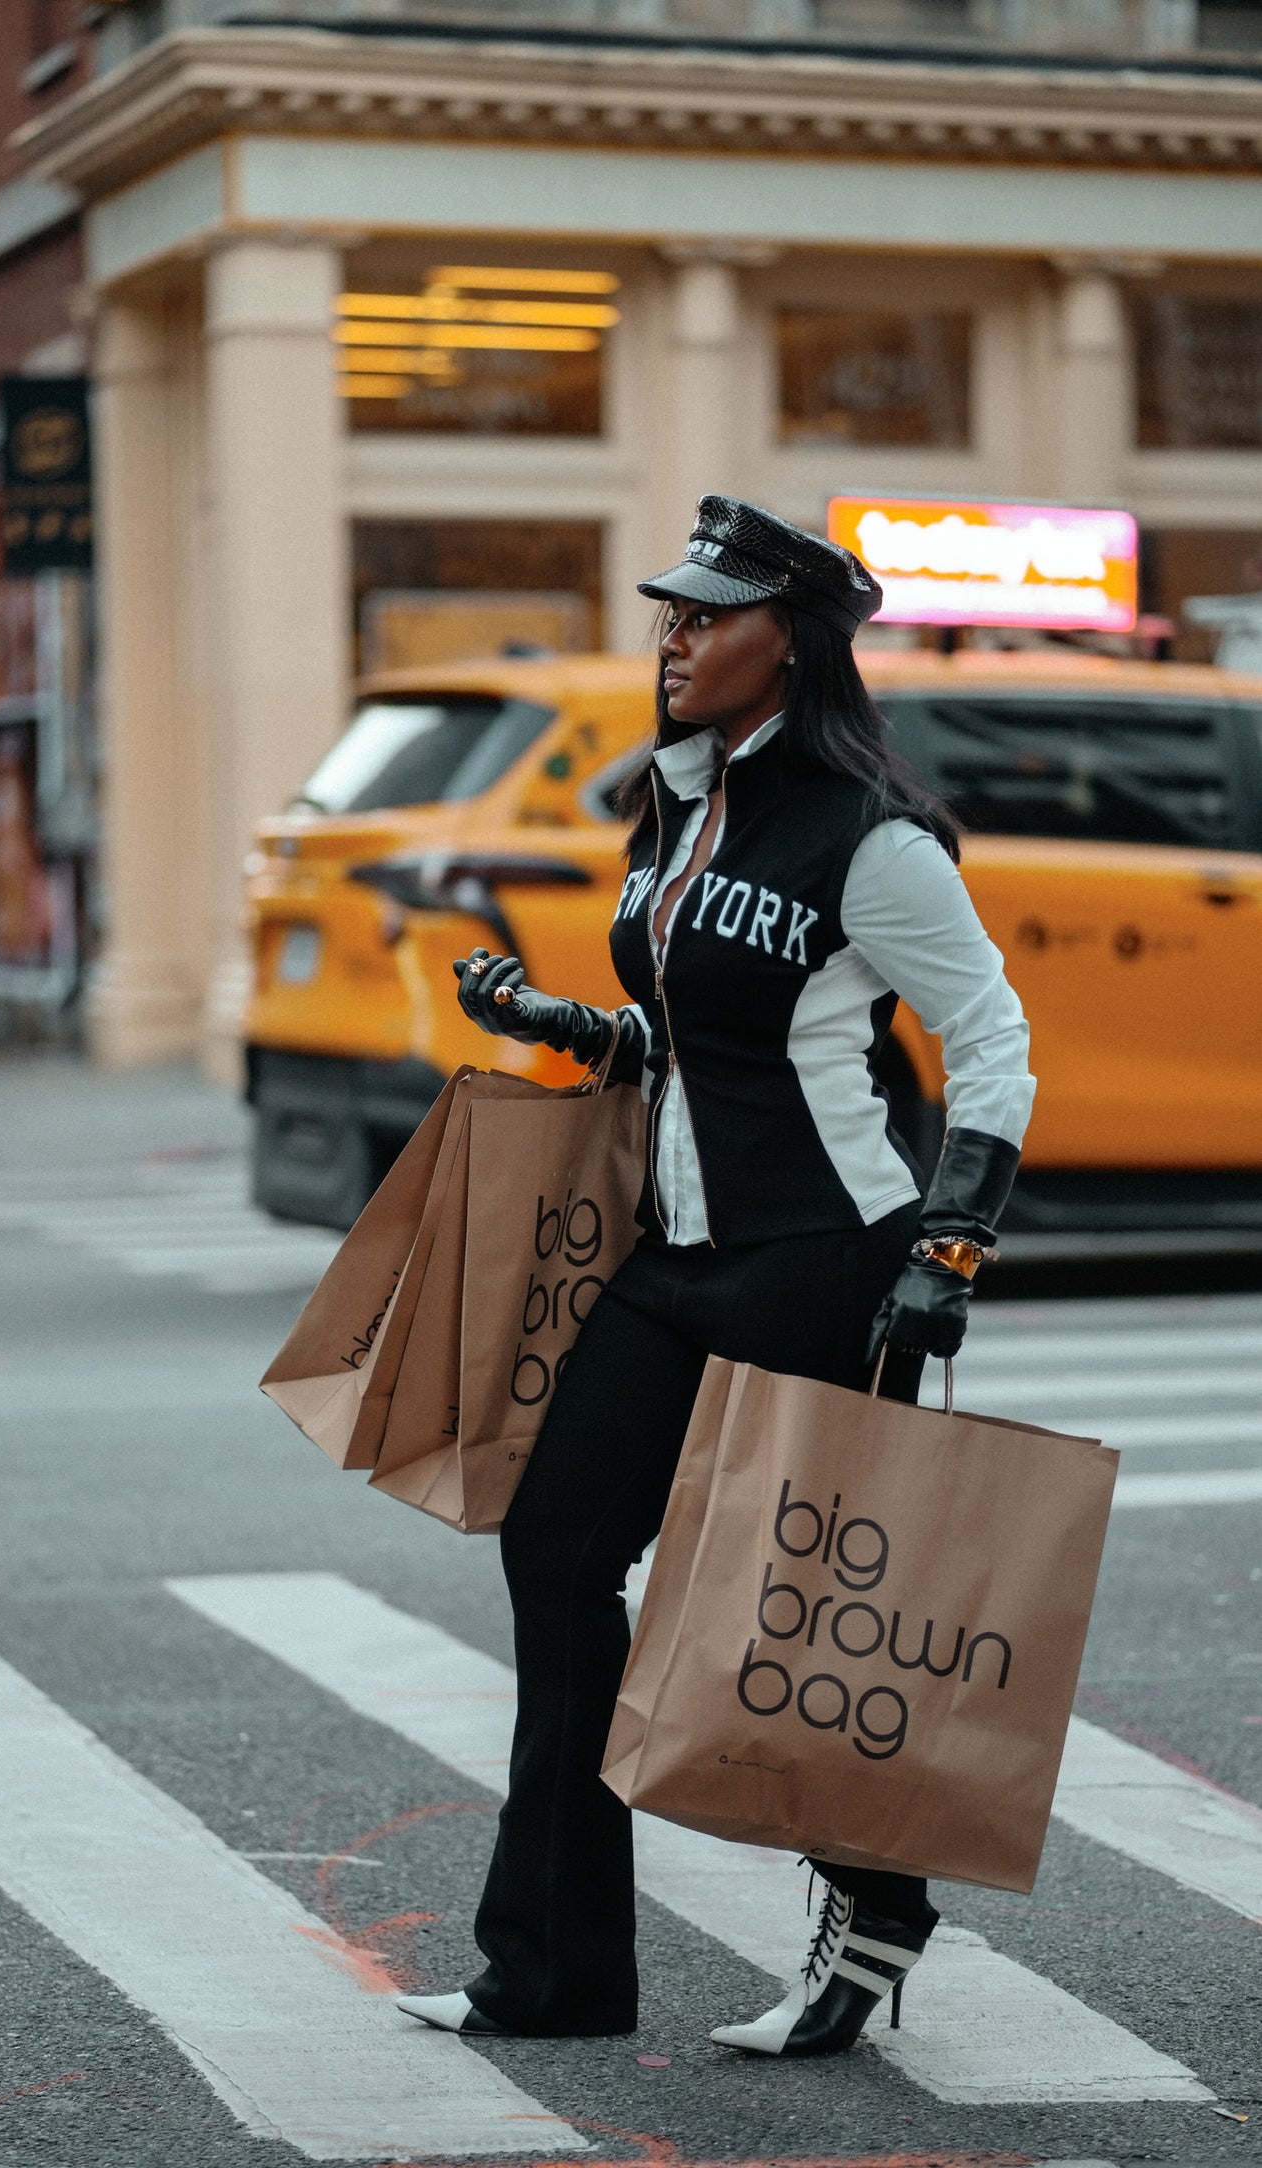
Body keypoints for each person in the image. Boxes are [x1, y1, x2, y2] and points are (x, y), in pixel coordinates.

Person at [395, 495, 1035, 2059]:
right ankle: (550, 1975)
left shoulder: (871, 839)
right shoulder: (675, 805)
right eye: (669, 613)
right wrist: (561, 1025)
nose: (672, 639)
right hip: (671, 1257)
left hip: (827, 1260)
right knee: (556, 1550)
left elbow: (992, 1040)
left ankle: (875, 1906)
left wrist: (949, 1248)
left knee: (793, 1618)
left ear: (788, 641)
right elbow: (701, 1035)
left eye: (706, 615)